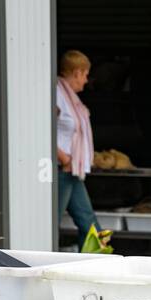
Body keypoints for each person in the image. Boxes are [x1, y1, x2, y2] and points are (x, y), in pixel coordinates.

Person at [56, 50, 100, 241]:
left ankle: (95, 268)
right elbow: (43, 129)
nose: (86, 80)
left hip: (72, 170)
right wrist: (64, 158)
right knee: (50, 222)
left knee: (90, 226)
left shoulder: (70, 97)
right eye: (85, 75)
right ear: (77, 72)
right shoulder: (57, 94)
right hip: (62, 169)